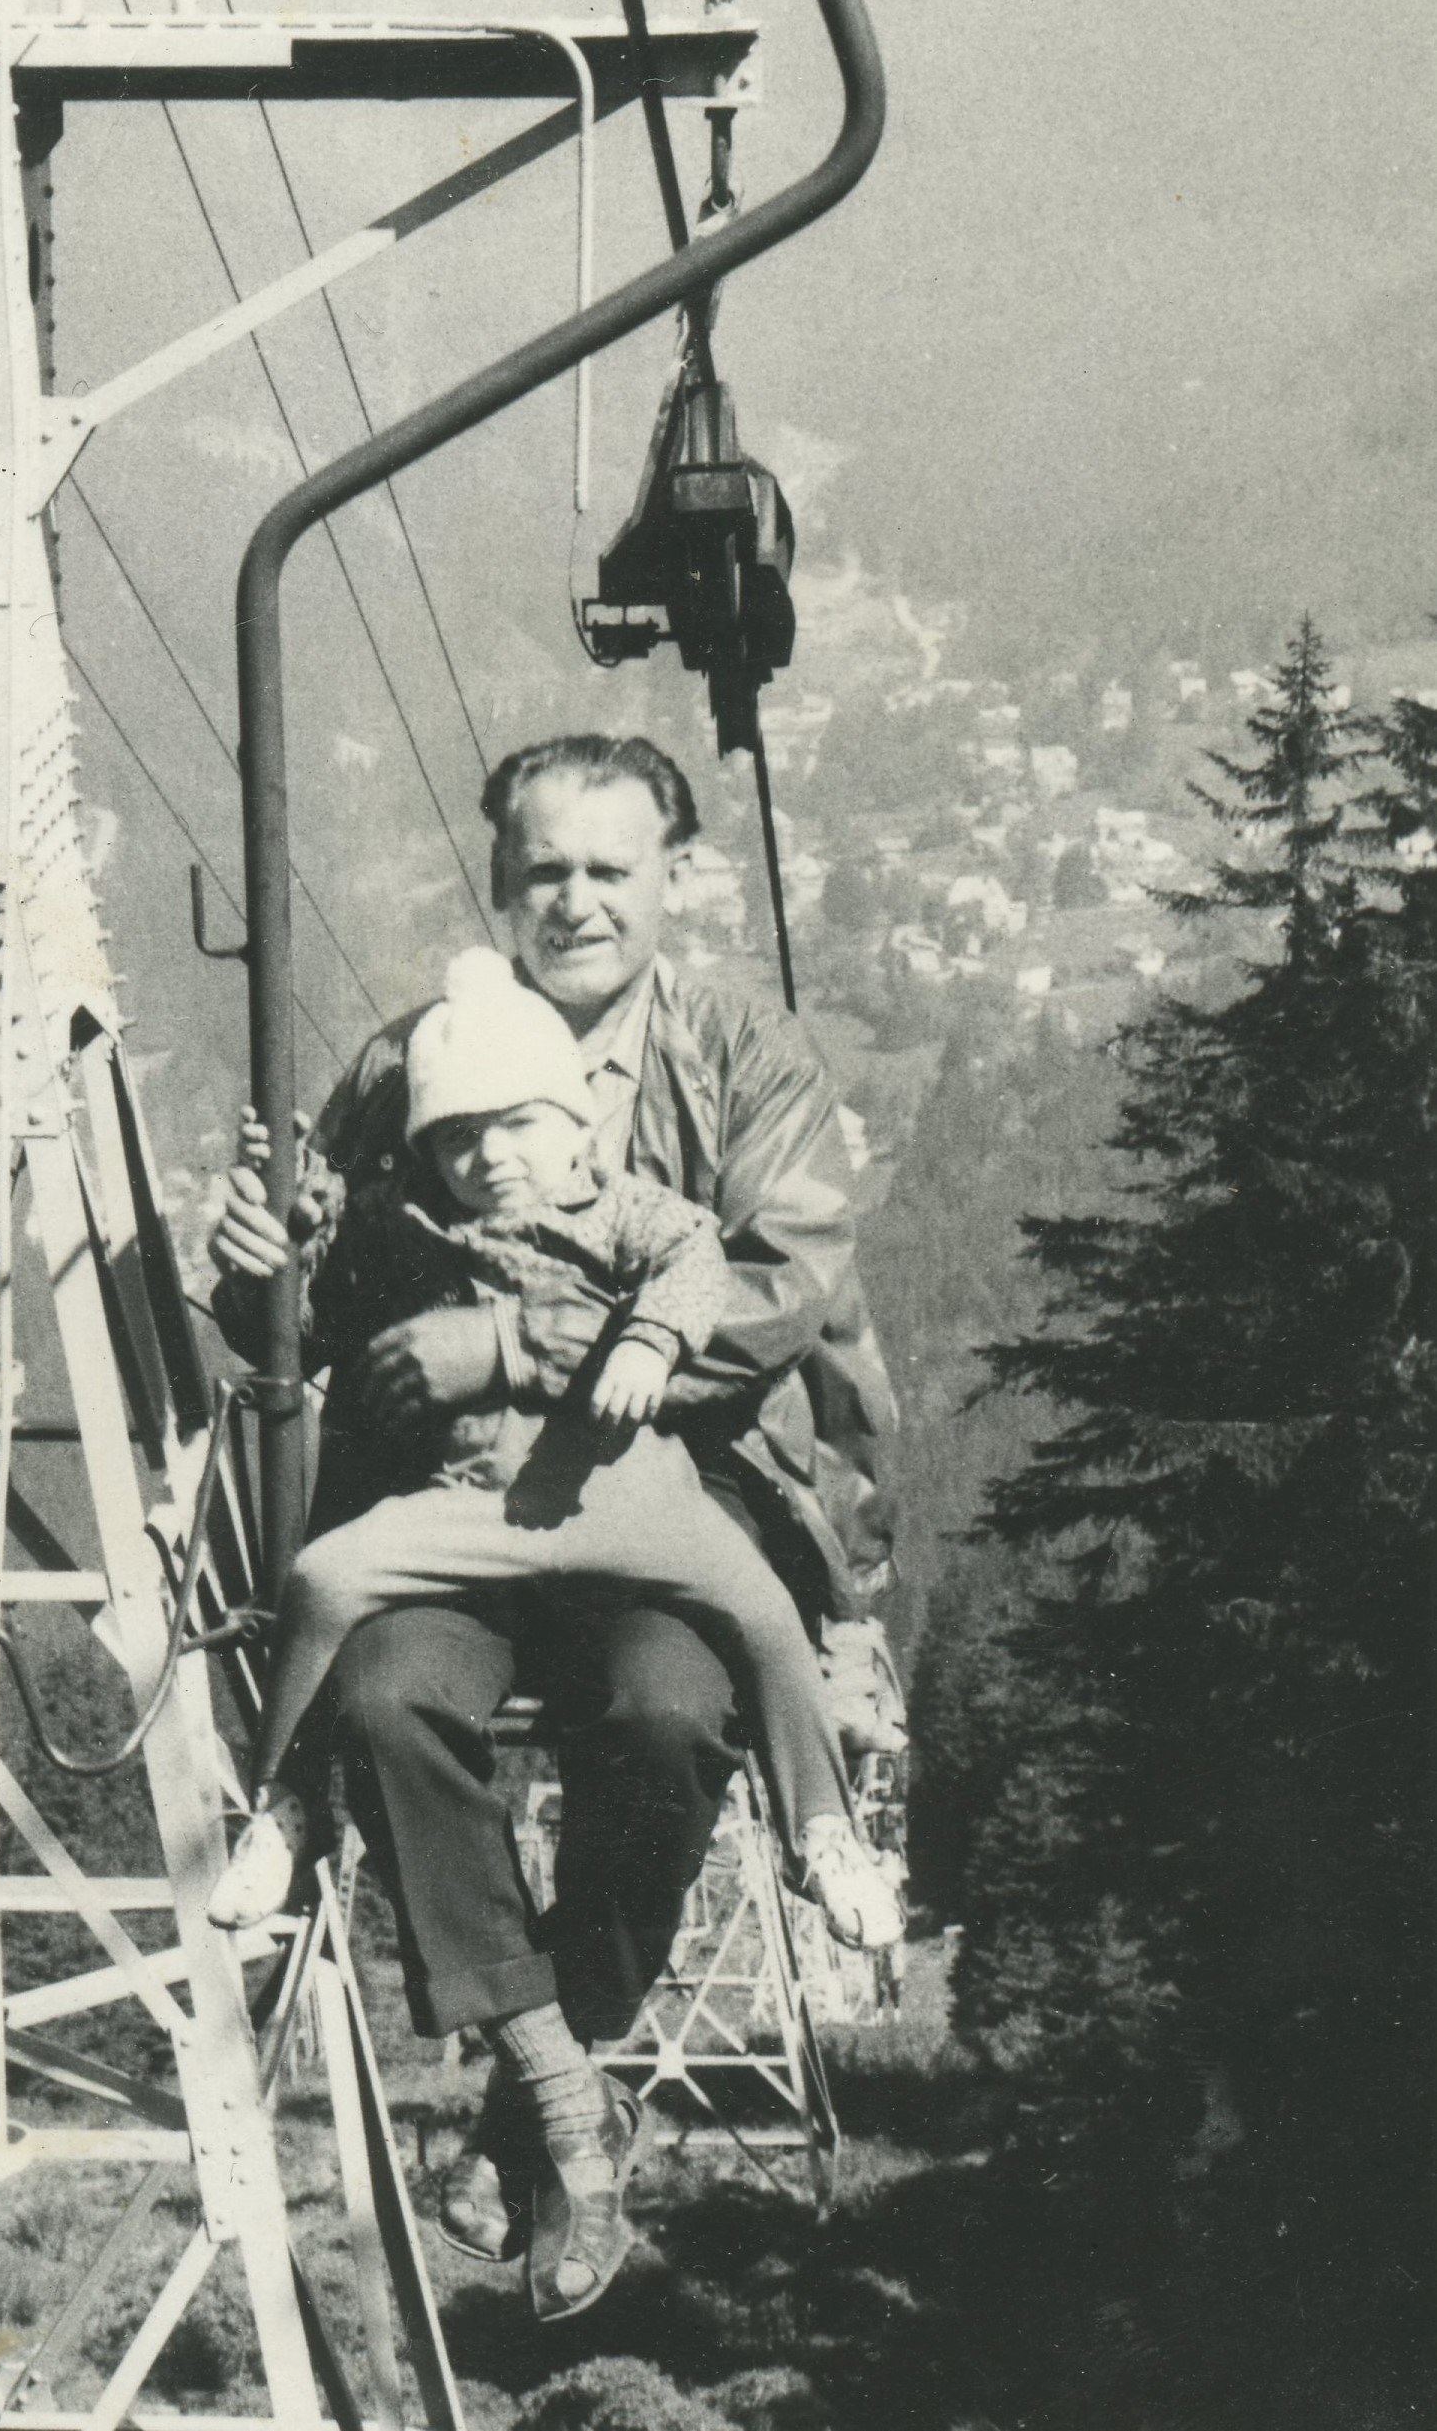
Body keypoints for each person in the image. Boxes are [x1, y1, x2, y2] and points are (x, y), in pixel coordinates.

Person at [209, 732, 900, 2319]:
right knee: (388, 1697)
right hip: (453, 1502)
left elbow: (774, 1292)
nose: (575, 902)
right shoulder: (405, 1067)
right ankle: (571, 2104)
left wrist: (520, 1346)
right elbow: (318, 1308)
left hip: (669, 1493)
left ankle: (529, 2106)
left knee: (664, 1715)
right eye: (542, 873)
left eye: (608, 869)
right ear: (499, 884)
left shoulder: (743, 1058)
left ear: (670, 877)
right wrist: (262, 1268)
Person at [205, 950, 898, 1990]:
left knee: (761, 1611)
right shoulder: (405, 1222)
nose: (491, 1158)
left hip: (622, 1496)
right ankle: (286, 1806)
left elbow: (698, 1259)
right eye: (457, 1137)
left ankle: (822, 1830)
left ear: (575, 1123)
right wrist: (286, 1237)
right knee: (322, 1583)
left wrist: (645, 1343)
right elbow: (308, 1319)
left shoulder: (616, 1207)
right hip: (471, 1505)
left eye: (519, 1124)